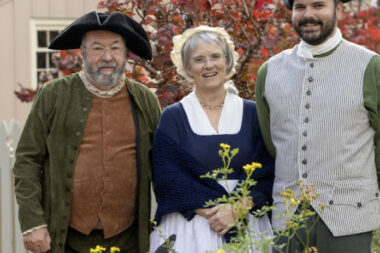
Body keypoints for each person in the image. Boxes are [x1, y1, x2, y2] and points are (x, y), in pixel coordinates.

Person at [13, 11, 161, 253]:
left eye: (115, 48)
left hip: (129, 239)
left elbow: (163, 166)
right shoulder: (53, 94)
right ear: (82, 53)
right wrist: (32, 223)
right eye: (96, 48)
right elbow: (27, 160)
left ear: (126, 54)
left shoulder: (144, 99)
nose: (107, 57)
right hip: (64, 238)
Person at [255, 0, 380, 251]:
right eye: (300, 7)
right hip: (286, 217)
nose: (308, 14)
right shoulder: (269, 72)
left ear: (339, 10)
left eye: (318, 5)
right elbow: (271, 143)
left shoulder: (370, 66)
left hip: (349, 218)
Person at [150, 26, 275, 253]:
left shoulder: (252, 114)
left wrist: (237, 208)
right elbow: (167, 177)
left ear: (227, 62)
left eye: (215, 57)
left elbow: (267, 170)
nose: (209, 65)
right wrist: (216, 213)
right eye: (199, 59)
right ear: (187, 68)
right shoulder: (174, 116)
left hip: (246, 222)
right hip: (193, 228)